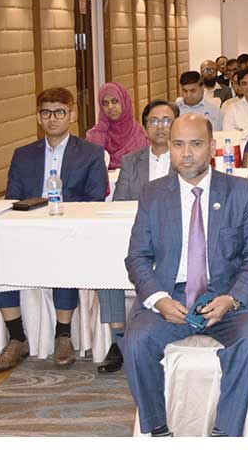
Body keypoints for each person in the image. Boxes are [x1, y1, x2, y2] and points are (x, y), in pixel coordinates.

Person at [123, 114, 248, 437]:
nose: (186, 153)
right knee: (135, 342)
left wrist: (232, 298)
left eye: (195, 144)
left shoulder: (242, 191)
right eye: (178, 144)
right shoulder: (153, 194)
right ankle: (158, 429)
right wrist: (158, 300)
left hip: (227, 297)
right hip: (171, 297)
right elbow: (137, 256)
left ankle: (225, 432)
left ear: (212, 148)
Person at [0, 88, 108, 372]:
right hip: (30, 228)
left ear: (72, 115)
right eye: (46, 113)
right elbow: (14, 197)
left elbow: (94, 199)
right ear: (38, 118)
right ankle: (17, 337)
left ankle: (63, 334)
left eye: (59, 112)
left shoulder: (91, 154)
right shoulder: (24, 155)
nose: (53, 118)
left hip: (70, 230)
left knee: (62, 253)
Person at [98, 99, 180, 374]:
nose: (160, 127)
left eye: (167, 120)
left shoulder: (186, 158)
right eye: (153, 121)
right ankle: (118, 339)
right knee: (108, 261)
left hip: (174, 238)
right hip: (138, 234)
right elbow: (120, 202)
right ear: (144, 127)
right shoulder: (132, 161)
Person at [86, 81, 149, 170]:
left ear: (124, 102)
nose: (110, 107)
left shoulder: (140, 135)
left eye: (115, 101)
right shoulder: (94, 137)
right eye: (105, 103)